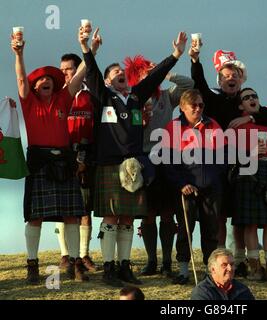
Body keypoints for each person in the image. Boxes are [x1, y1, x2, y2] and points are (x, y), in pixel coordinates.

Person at [80, 29, 187, 286]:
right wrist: (85, 47)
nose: (120, 73)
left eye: (121, 71)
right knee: (110, 218)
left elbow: (157, 74)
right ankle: (108, 269)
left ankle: (125, 267)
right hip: (109, 164)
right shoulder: (103, 95)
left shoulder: (137, 97)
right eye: (114, 72)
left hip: (134, 165)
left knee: (127, 218)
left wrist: (175, 55)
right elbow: (92, 72)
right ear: (106, 82)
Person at [189, 45, 267, 277]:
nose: (231, 79)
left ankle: (239, 262)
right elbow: (199, 84)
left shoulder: (246, 99)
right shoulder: (213, 100)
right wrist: (195, 61)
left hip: (244, 167)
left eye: (235, 75)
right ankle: (218, 261)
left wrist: (248, 115)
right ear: (220, 79)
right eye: (226, 76)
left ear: (241, 79)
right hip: (218, 165)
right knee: (218, 215)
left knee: (240, 217)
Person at [11, 28, 89, 283]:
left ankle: (76, 264)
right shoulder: (28, 102)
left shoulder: (62, 100)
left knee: (72, 215)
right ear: (34, 87)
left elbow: (77, 79)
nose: (45, 81)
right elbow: (21, 80)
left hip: (63, 160)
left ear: (54, 85)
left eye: (49, 80)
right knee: (35, 215)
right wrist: (19, 54)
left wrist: (89, 50)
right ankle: (32, 265)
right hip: (39, 160)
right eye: (40, 81)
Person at [123, 54, 194, 277]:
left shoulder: (166, 96)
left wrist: (167, 72)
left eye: (153, 72)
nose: (153, 76)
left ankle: (166, 262)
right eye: (146, 73)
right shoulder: (135, 98)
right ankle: (151, 261)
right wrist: (140, 123)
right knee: (147, 212)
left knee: (167, 212)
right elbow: (130, 131)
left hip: (167, 156)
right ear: (137, 77)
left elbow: (188, 85)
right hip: (144, 158)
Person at [162, 89, 226, 285]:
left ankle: (210, 272)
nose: (198, 109)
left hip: (210, 188)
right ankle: (183, 271)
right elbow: (167, 161)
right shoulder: (173, 127)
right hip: (185, 188)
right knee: (185, 229)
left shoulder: (212, 124)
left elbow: (222, 156)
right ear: (182, 107)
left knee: (211, 230)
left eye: (201, 105)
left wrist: (212, 179)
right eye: (194, 105)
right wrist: (181, 184)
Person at [231, 88, 267, 286]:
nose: (252, 99)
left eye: (255, 96)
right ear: (240, 105)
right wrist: (250, 153)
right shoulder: (237, 126)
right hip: (248, 174)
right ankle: (254, 268)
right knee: (250, 223)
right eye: (247, 98)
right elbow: (230, 154)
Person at [56, 49, 100, 273]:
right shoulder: (55, 94)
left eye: (69, 69)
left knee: (85, 209)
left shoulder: (91, 95)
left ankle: (83, 255)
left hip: (87, 156)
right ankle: (65, 255)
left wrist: (85, 158)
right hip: (62, 157)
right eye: (61, 70)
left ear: (78, 70)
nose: (64, 74)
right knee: (63, 208)